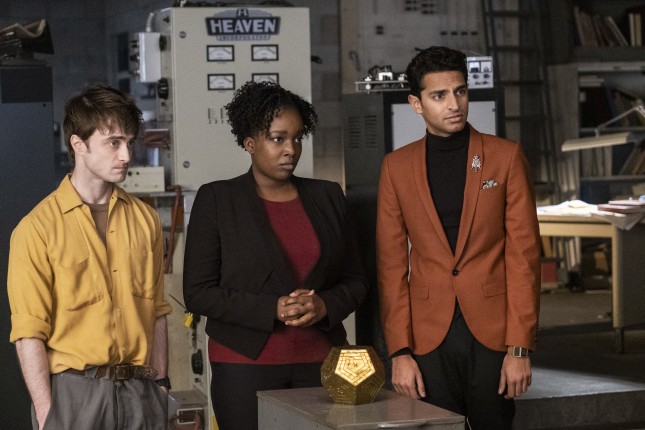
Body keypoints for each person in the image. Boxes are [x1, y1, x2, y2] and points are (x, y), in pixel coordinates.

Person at [183, 81, 368, 430]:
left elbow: (356, 280)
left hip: (322, 363)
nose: (290, 150)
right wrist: (273, 309)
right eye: (277, 138)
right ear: (249, 143)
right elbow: (198, 293)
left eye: (297, 138)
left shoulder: (328, 196)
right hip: (243, 366)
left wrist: (325, 305)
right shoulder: (218, 200)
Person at [376, 46, 541, 429]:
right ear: (416, 104)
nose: (454, 104)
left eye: (460, 91)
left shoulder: (505, 157)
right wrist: (399, 352)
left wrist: (520, 348)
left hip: (493, 332)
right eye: (439, 95)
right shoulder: (396, 167)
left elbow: (525, 257)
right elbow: (390, 266)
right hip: (426, 335)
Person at [7, 84, 172, 429]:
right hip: (74, 395)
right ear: (78, 144)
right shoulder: (36, 229)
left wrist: (160, 385)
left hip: (141, 393)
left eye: (129, 142)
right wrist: (47, 414)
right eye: (113, 142)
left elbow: (157, 311)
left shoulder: (145, 220)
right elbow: (28, 333)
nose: (126, 155)